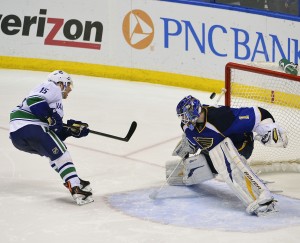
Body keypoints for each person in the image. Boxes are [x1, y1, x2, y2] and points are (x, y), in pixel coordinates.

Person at [167, 95, 288, 216]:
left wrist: (269, 129)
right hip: (216, 146)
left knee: (229, 166)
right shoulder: (186, 126)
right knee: (202, 164)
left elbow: (260, 114)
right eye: (181, 116)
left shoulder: (221, 117)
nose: (183, 119)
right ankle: (182, 174)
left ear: (194, 111)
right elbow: (197, 137)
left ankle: (263, 198)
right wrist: (190, 144)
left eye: (185, 115)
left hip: (241, 144)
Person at [9, 70, 93, 205]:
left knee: (53, 153)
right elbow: (34, 100)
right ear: (61, 83)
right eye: (68, 85)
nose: (70, 89)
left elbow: (54, 133)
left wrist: (72, 130)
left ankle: (73, 179)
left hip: (18, 136)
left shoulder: (56, 102)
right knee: (62, 153)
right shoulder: (52, 86)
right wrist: (48, 117)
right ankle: (76, 188)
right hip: (29, 126)